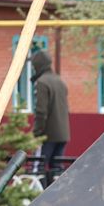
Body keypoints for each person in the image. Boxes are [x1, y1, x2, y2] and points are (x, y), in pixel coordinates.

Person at [29, 48, 69, 178]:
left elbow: (41, 111)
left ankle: (35, 197)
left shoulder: (42, 82)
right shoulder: (60, 81)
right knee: (57, 170)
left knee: (37, 169)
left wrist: (37, 134)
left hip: (47, 135)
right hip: (63, 134)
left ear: (37, 66)